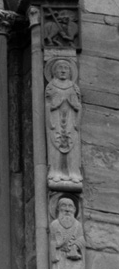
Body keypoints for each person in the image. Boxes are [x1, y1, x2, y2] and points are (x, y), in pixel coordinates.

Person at [45, 59, 82, 187]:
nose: (62, 70)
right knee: (55, 144)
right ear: (54, 71)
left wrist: (75, 106)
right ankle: (55, 172)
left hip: (71, 121)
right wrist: (54, 104)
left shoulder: (73, 86)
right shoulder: (51, 86)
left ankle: (73, 172)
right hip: (56, 121)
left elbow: (78, 106)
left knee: (73, 145)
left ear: (70, 72)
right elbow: (47, 104)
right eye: (60, 68)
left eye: (66, 68)